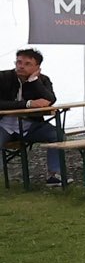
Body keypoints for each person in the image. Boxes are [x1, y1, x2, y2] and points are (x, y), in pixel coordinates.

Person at [0, 48, 66, 185]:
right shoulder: (3, 77)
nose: (21, 66)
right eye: (19, 62)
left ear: (37, 67)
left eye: (27, 64)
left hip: (30, 126)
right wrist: (27, 104)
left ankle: (54, 175)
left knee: (57, 135)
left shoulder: (43, 79)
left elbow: (50, 99)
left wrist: (34, 81)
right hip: (3, 125)